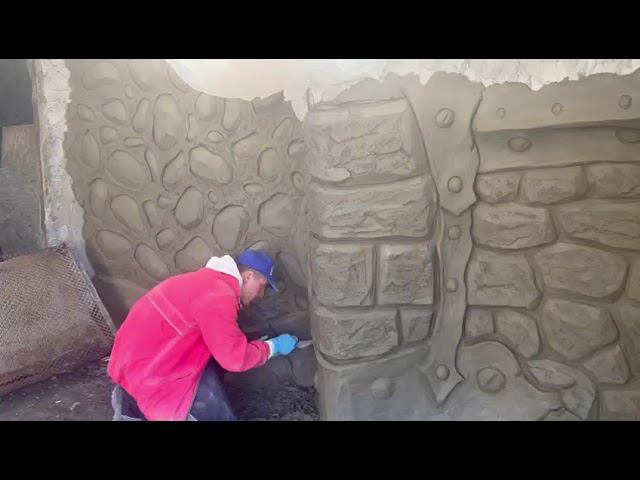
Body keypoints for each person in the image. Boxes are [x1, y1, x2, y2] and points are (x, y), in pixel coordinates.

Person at [107, 249, 299, 421]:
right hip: (151, 373)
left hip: (133, 361)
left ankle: (131, 404)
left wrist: (251, 346)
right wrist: (273, 347)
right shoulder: (219, 296)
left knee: (212, 362)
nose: (261, 294)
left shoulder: (206, 282)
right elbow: (234, 359)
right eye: (262, 286)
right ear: (248, 276)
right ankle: (137, 408)